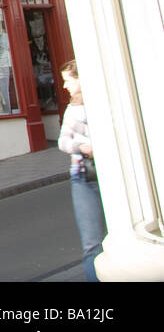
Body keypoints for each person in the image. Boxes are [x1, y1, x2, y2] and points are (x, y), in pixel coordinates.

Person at [57, 60, 106, 282]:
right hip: (83, 176)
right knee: (92, 244)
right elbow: (63, 142)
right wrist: (82, 146)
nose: (65, 86)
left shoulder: (104, 101)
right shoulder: (72, 109)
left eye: (68, 80)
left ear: (81, 79)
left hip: (111, 174)